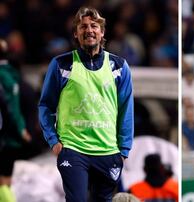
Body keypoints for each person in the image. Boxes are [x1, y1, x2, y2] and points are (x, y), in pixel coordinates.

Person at [38, 7, 134, 202]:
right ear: (76, 33)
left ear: (102, 31)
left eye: (94, 26)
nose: (89, 30)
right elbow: (45, 106)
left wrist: (123, 150)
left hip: (108, 151)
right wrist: (54, 142)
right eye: (83, 27)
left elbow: (126, 109)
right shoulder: (61, 64)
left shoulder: (119, 66)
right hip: (73, 150)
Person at [0, 39, 32, 202]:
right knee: (5, 179)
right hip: (8, 135)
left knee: (5, 179)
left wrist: (19, 128)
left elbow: (11, 108)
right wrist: (20, 128)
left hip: (6, 135)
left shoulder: (7, 77)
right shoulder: (9, 76)